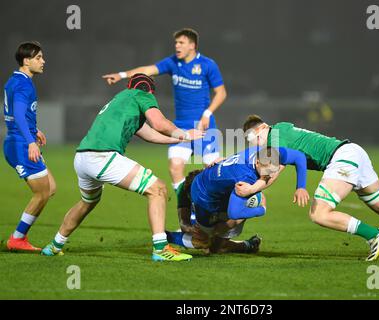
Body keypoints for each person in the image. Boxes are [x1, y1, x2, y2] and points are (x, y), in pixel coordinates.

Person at [41, 74, 203, 262]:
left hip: (82, 158)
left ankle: (55, 245)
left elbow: (149, 134)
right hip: (102, 156)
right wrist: (184, 134)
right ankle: (160, 249)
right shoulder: (143, 95)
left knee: (87, 202)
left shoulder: (121, 100)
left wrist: (177, 139)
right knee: (158, 189)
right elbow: (159, 124)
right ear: (150, 91)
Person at [241, 115, 379, 261]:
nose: (258, 145)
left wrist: (251, 190)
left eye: (255, 138)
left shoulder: (275, 137)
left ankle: (374, 235)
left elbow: (272, 173)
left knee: (319, 214)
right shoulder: (281, 129)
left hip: (341, 159)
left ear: (263, 128)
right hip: (352, 151)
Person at [102, 28, 227, 199]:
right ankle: (187, 215)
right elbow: (147, 69)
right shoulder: (173, 62)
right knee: (175, 167)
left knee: (212, 169)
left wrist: (207, 113)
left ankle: (220, 210)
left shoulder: (207, 64)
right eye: (176, 42)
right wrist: (121, 75)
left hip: (204, 126)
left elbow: (221, 93)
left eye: (181, 42)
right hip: (180, 126)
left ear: (192, 45)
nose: (177, 46)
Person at [166, 146, 309, 254]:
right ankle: (168, 236)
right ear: (258, 162)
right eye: (267, 171)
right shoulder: (244, 179)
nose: (269, 175)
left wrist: (301, 187)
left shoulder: (266, 151)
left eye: (273, 171)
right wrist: (261, 210)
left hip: (214, 185)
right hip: (204, 198)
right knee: (203, 241)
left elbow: (299, 156)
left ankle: (229, 243)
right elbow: (234, 213)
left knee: (216, 245)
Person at [3, 41, 56, 252]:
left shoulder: (15, 80)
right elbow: (17, 113)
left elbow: (20, 113)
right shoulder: (24, 84)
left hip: (19, 140)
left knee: (50, 187)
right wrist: (31, 141)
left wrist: (34, 131)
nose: (43, 61)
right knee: (42, 193)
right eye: (38, 58)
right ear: (26, 61)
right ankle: (17, 238)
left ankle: (18, 237)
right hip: (21, 145)